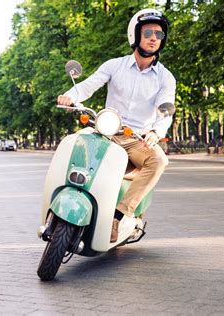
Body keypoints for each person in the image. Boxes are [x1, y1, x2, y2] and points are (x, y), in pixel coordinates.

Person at [57, 8, 176, 242]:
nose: (154, 38)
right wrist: (70, 96)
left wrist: (157, 131)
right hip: (106, 131)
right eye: (149, 32)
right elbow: (88, 85)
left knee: (159, 160)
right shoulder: (114, 65)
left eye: (159, 35)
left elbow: (165, 108)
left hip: (137, 139)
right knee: (73, 145)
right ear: (136, 34)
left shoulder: (165, 77)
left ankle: (119, 216)